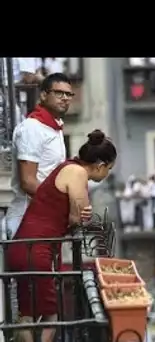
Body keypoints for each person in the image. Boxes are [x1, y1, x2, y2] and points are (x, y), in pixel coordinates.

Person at [7, 129, 116, 342]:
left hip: (24, 247)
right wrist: (81, 215)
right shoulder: (78, 173)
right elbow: (78, 217)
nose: (107, 174)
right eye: (109, 169)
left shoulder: (67, 167)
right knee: (51, 314)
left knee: (27, 314)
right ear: (100, 165)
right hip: (37, 250)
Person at [6, 73, 76, 239]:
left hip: (46, 218)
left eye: (69, 94)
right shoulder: (32, 128)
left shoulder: (54, 127)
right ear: (44, 95)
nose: (65, 98)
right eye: (59, 93)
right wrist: (62, 203)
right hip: (27, 220)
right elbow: (28, 182)